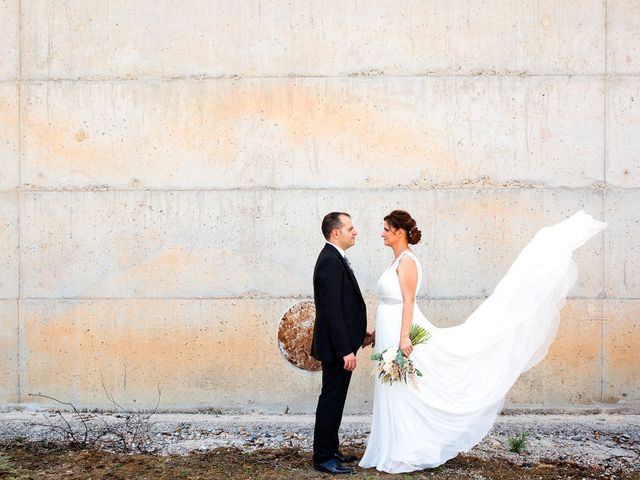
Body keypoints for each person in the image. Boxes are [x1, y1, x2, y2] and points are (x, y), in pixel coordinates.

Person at [359, 209, 606, 474]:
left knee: (404, 391)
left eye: (385, 229)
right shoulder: (396, 261)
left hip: (402, 331)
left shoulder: (407, 261)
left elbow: (407, 301)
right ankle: (390, 447)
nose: (381, 233)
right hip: (390, 330)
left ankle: (406, 450)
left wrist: (404, 336)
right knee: (393, 390)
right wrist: (377, 334)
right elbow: (391, 301)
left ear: (399, 232)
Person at [310, 212, 373, 475]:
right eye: (350, 228)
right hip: (337, 348)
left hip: (342, 343)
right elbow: (332, 311)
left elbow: (345, 307)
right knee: (331, 401)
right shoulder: (329, 262)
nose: (355, 231)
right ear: (336, 233)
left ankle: (331, 448)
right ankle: (323, 457)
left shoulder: (335, 258)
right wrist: (346, 349)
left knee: (335, 400)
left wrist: (361, 334)